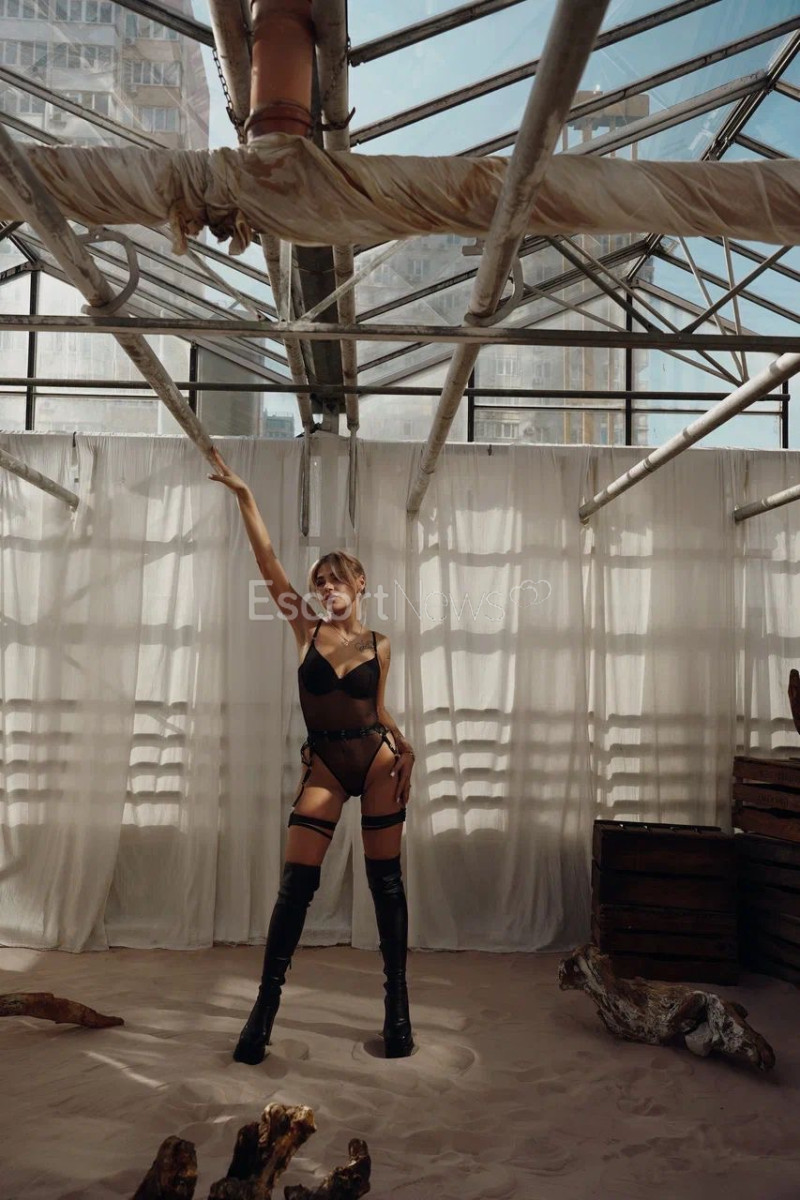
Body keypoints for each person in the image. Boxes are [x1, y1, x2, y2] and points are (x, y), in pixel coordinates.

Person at [208, 448, 416, 1064]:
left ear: (360, 583)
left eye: (336, 580)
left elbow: (377, 709)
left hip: (377, 762)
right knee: (295, 886)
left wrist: (406, 745)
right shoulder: (305, 626)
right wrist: (245, 496)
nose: (326, 589)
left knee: (386, 886)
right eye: (320, 582)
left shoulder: (381, 644)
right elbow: (267, 560)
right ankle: (262, 1014)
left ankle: (397, 1011)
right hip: (325, 763)